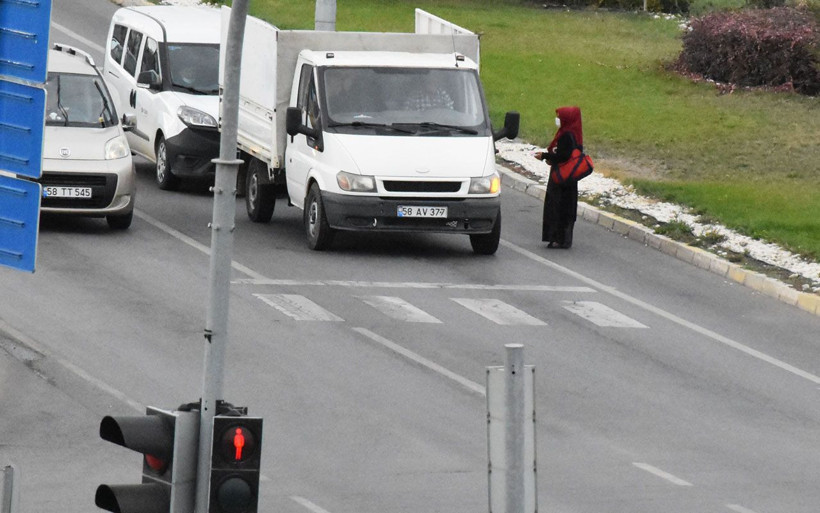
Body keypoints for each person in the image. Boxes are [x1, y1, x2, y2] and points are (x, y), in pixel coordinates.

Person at [534, 106, 584, 248]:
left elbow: (563, 156)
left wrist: (544, 156)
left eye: (560, 117)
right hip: (569, 179)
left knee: (557, 207)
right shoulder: (574, 134)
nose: (557, 120)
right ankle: (563, 238)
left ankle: (557, 238)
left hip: (561, 179)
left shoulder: (566, 135)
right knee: (566, 208)